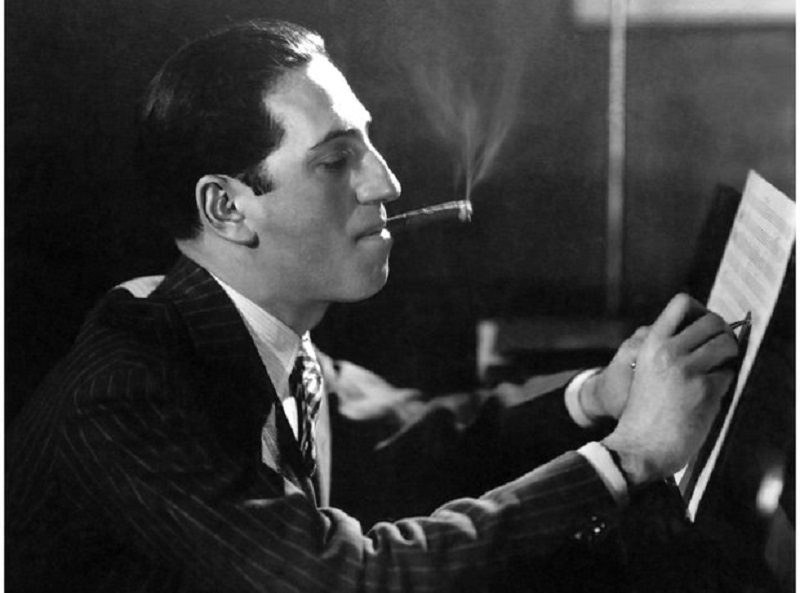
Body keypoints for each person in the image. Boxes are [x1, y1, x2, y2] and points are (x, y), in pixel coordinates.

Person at [6, 20, 740, 593]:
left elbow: (410, 436)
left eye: (368, 142)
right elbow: (353, 580)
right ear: (226, 208)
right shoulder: (125, 392)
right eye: (336, 160)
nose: (385, 183)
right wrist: (629, 457)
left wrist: (597, 397)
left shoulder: (259, 333)